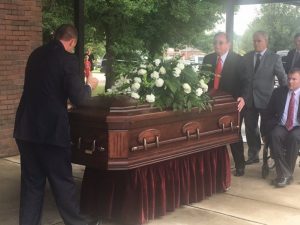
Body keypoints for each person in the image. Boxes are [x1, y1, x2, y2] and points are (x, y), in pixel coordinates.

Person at [13, 24, 99, 225]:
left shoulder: (36, 54)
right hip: (50, 132)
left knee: (32, 185)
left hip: (26, 128)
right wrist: (89, 86)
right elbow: (80, 99)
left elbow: (45, 88)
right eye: (72, 46)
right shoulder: (67, 59)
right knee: (62, 183)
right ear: (72, 41)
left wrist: (62, 102)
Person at [202, 32, 250, 176]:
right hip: (212, 103)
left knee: (233, 133)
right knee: (211, 133)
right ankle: (214, 165)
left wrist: (243, 97)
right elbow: (202, 80)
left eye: (221, 42)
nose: (217, 45)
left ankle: (240, 165)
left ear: (228, 44)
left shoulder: (239, 60)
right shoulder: (208, 58)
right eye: (215, 42)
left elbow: (247, 82)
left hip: (232, 104)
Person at [243, 30, 287, 165]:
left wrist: (287, 94)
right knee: (250, 128)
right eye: (254, 41)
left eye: (259, 41)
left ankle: (272, 153)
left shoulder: (274, 58)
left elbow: (282, 78)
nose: (255, 43)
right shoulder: (247, 56)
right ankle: (253, 154)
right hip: (249, 99)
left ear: (266, 42)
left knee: (266, 128)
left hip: (267, 100)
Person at [265, 68, 300, 187]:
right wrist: (266, 129)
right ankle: (286, 174)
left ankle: (283, 175)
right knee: (275, 135)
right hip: (282, 125)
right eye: (289, 79)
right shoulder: (279, 92)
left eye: (294, 79)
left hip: (297, 127)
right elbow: (268, 112)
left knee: (294, 138)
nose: (290, 82)